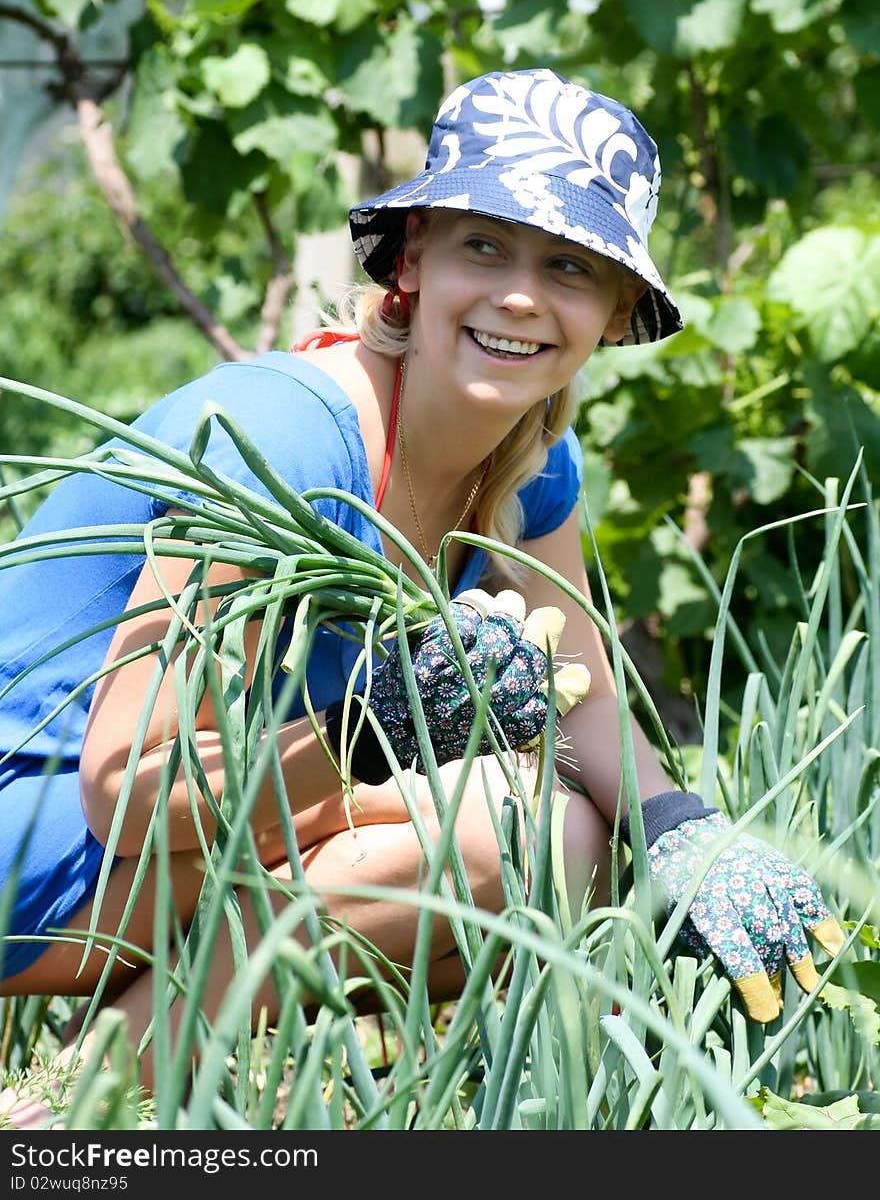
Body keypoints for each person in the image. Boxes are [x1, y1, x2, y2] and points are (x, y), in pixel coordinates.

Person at [0, 67, 843, 1127]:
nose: (522, 293)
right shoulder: (290, 439)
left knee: (569, 843)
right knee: (500, 819)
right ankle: (78, 1111)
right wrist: (374, 733)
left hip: (157, 856)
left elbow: (576, 688)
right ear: (410, 260)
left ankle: (96, 1087)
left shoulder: (531, 460)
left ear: (616, 308)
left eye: (569, 266)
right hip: (30, 828)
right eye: (482, 245)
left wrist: (682, 826)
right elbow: (124, 786)